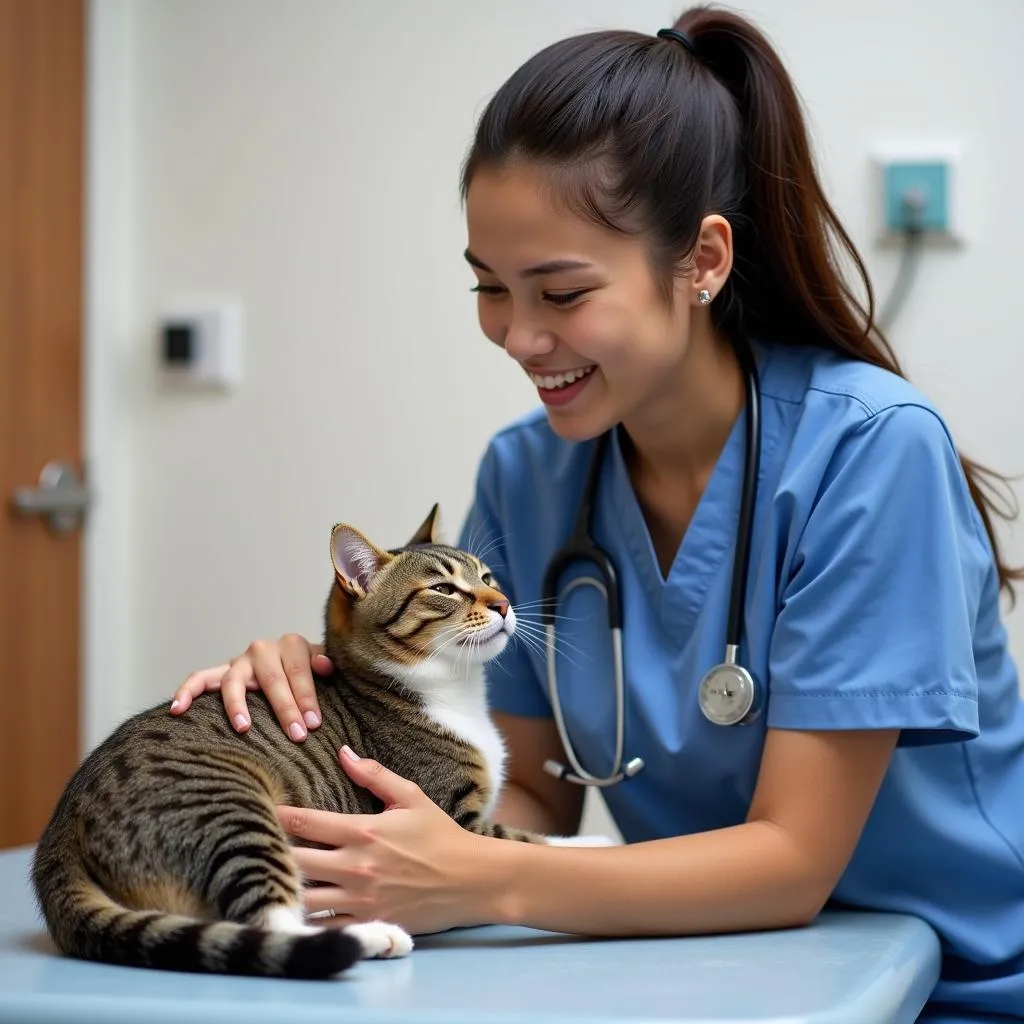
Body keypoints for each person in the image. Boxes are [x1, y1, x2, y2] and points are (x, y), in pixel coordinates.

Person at [170, 7, 1024, 1021]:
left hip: (952, 989)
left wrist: (485, 880)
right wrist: (334, 717)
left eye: (561, 292)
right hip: (710, 977)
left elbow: (791, 863)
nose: (518, 336)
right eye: (489, 287)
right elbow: (525, 798)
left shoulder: (867, 451)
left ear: (702, 261)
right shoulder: (529, 475)